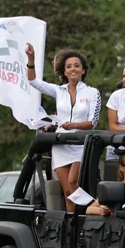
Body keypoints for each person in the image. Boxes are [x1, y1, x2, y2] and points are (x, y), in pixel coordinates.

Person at [25, 44, 101, 213]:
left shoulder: (92, 92)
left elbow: (92, 122)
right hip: (60, 145)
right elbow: (32, 81)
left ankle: (91, 211)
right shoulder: (58, 91)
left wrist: (72, 125)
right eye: (69, 66)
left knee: (73, 182)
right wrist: (31, 59)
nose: (73, 69)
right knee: (67, 191)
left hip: (80, 144)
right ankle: (71, 225)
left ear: (83, 70)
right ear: (64, 72)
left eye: (77, 66)